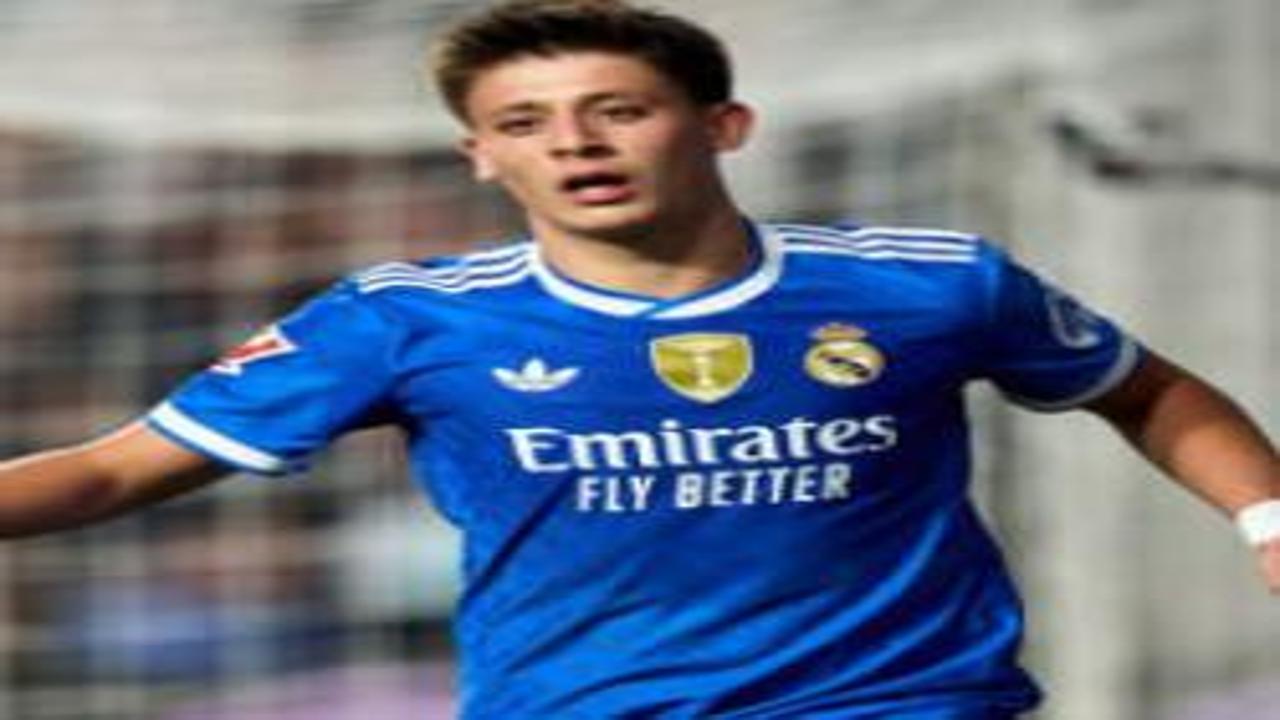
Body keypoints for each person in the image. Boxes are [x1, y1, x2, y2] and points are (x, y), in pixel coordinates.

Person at [1, 1, 1276, 717]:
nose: (573, 144)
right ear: (481, 158)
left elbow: (1144, 388)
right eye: (524, 122)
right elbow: (116, 471)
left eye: (616, 110)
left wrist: (1264, 515)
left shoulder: (926, 283)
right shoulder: (402, 320)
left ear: (721, 125)